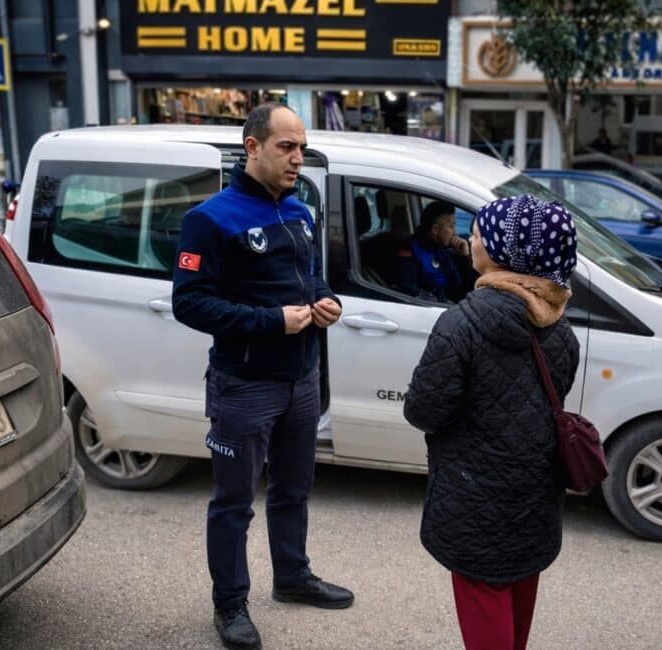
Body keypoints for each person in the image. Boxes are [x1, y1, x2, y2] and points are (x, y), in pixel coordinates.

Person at [172, 103, 353, 650]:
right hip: (244, 385)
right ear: (252, 147)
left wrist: (326, 300)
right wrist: (272, 322)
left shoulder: (299, 212)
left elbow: (311, 277)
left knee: (293, 489)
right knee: (233, 502)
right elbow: (191, 304)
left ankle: (292, 577)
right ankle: (229, 605)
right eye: (286, 147)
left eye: (301, 147)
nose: (297, 158)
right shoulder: (210, 219)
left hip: (302, 380)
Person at [403, 194, 581, 650]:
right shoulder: (559, 327)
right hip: (537, 492)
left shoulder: (461, 324)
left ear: (506, 252)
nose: (470, 240)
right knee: (520, 589)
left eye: (479, 234)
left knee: (484, 597)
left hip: (474, 496)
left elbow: (423, 411)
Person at [396, 201, 473, 303]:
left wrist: (464, 257)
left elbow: (461, 285)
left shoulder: (445, 248)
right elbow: (409, 291)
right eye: (451, 226)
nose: (455, 232)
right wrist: (442, 301)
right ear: (435, 229)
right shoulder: (411, 250)